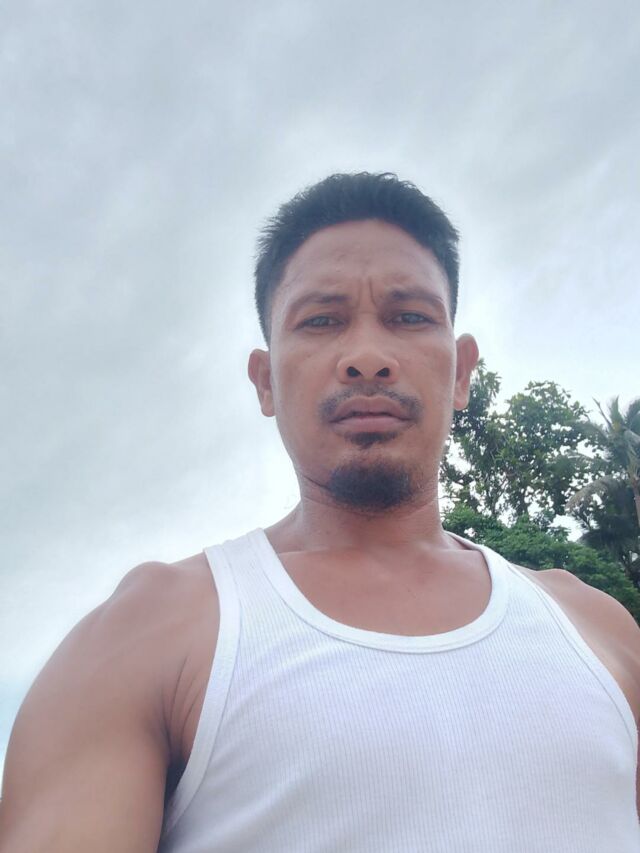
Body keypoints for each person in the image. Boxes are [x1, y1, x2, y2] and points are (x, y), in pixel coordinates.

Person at [0, 172, 638, 852]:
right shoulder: (145, 636)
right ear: (266, 381)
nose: (367, 358)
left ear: (460, 372)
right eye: (322, 320)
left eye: (409, 317)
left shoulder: (599, 631)